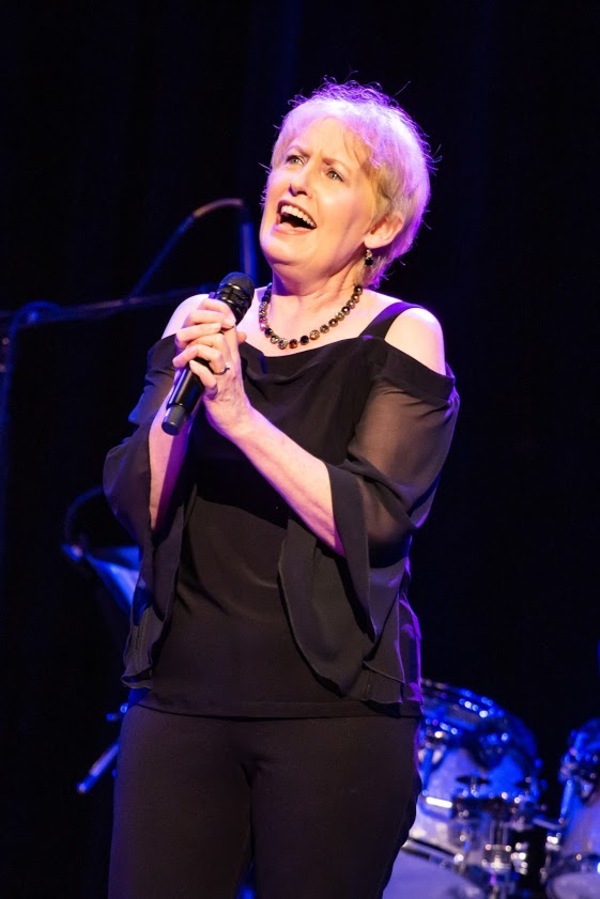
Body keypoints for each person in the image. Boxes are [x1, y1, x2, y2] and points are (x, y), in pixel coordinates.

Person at [103, 77, 459, 899]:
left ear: (381, 226)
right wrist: (192, 396)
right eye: (291, 160)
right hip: (179, 703)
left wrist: (240, 417)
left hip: (330, 718)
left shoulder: (404, 333)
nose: (295, 181)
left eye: (332, 172)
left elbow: (375, 517)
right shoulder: (204, 323)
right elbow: (140, 505)